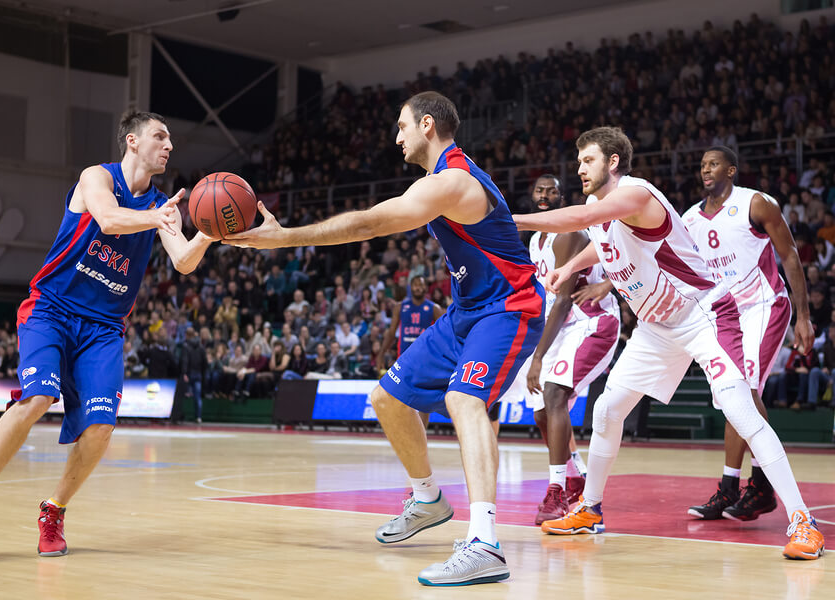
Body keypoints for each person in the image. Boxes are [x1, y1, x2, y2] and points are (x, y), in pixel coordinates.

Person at [224, 91, 544, 585]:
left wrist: (285, 236)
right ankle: (427, 499)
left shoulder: (452, 180)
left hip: (508, 307)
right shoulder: (443, 180)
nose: (396, 137)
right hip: (466, 311)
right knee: (387, 398)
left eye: (401, 127)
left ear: (428, 126)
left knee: (464, 399)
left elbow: (371, 223)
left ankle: (485, 543)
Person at [515, 126, 823, 561]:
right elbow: (601, 242)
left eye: (588, 160)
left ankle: (802, 520)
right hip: (655, 327)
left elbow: (581, 222)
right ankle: (591, 509)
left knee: (741, 409)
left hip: (703, 315)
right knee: (607, 410)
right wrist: (569, 269)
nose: (579, 167)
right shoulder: (595, 206)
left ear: (613, 163)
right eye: (579, 160)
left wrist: (512, 221)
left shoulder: (637, 194)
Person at [0, 110, 214, 557]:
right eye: (160, 136)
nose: (169, 146)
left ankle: (53, 511)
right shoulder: (97, 177)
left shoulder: (161, 204)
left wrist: (210, 232)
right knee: (36, 399)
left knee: (100, 428)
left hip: (104, 327)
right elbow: (109, 220)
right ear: (132, 141)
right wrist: (157, 218)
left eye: (170, 139)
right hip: (51, 309)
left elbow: (184, 261)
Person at [682, 146, 814, 522]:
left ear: (732, 170)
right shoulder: (689, 217)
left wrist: (803, 315)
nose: (706, 170)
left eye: (714, 164)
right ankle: (737, 487)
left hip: (764, 305)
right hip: (724, 315)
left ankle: (756, 488)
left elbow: (789, 255)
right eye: (703, 165)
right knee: (732, 397)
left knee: (745, 391)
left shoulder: (756, 203)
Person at [500, 174, 619, 525]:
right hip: (559, 326)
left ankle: (555, 492)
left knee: (553, 396)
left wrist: (537, 356)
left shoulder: (569, 233)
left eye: (552, 191)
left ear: (562, 198)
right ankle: (577, 475)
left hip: (590, 323)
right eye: (539, 190)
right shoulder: (537, 239)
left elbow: (564, 300)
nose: (545, 195)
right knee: (541, 413)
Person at [377, 275, 445, 373]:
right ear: (410, 287)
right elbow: (391, 333)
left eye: (421, 285)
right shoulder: (400, 307)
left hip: (426, 359)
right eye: (415, 285)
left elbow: (443, 336)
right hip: (403, 358)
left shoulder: (434, 308)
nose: (418, 288)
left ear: (426, 288)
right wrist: (381, 353)